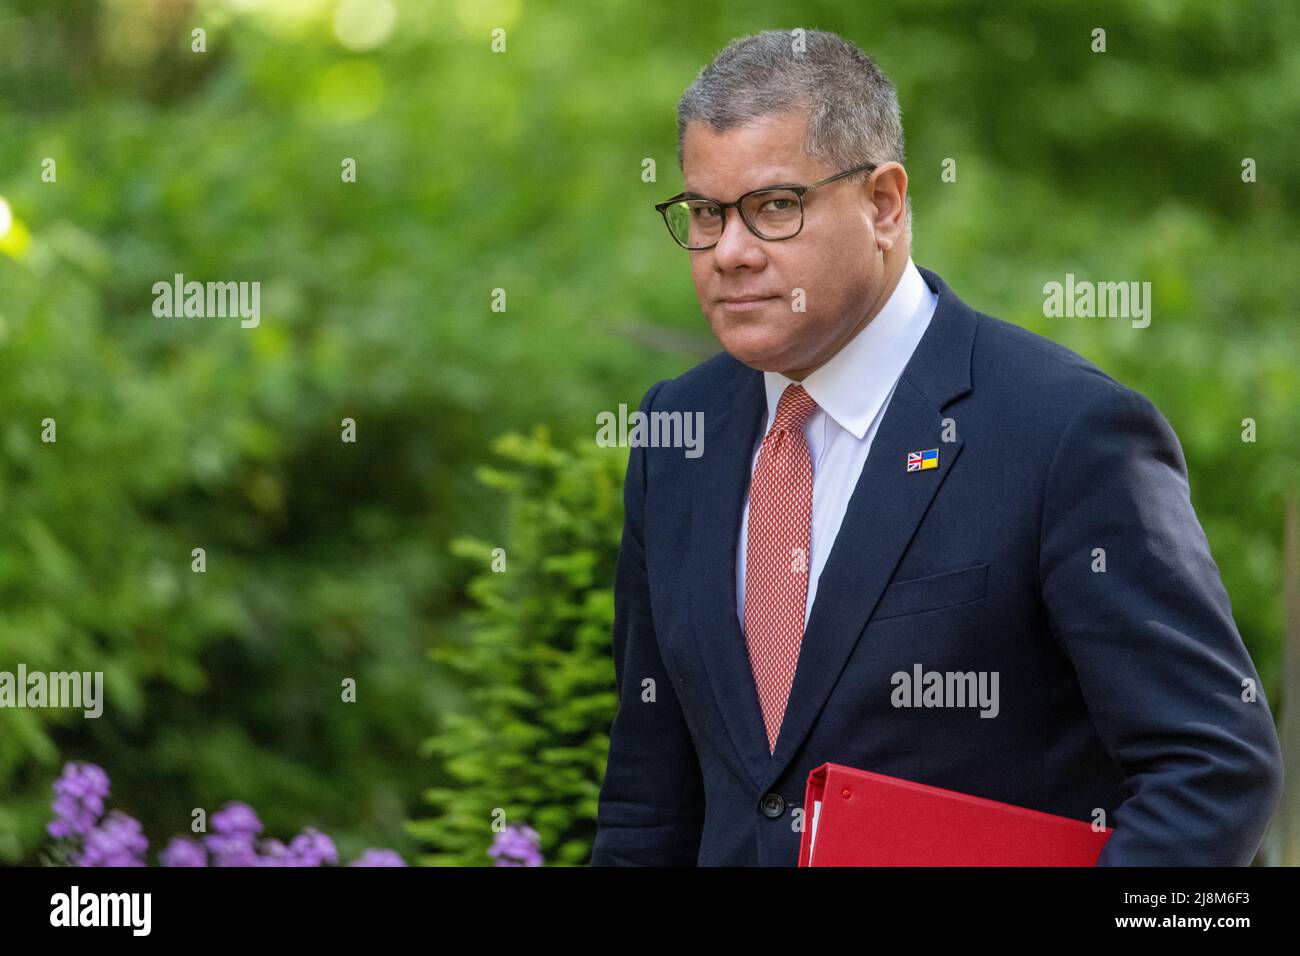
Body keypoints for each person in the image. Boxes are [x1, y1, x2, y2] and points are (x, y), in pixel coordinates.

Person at [590, 28, 1283, 866]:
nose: (729, 252)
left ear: (883, 203)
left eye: (774, 207)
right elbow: (647, 800)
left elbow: (1213, 766)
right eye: (705, 213)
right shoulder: (677, 435)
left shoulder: (1066, 433)